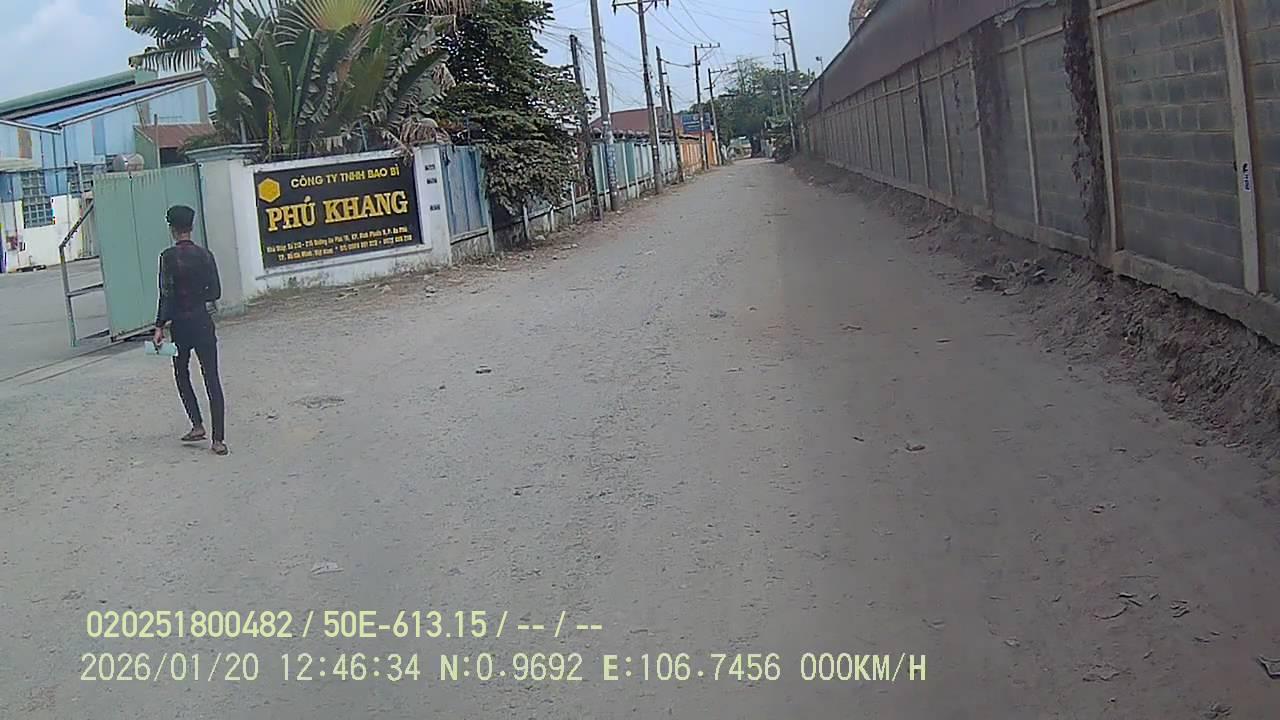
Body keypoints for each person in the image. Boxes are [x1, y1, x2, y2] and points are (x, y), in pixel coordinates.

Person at [152, 205, 227, 455]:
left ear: (172, 229)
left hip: (180, 326)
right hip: (202, 322)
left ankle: (197, 425)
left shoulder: (167, 257)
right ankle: (218, 440)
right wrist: (198, 297)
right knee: (212, 378)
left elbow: (166, 294)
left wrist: (159, 326)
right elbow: (215, 292)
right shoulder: (205, 255)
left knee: (181, 374)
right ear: (191, 227)